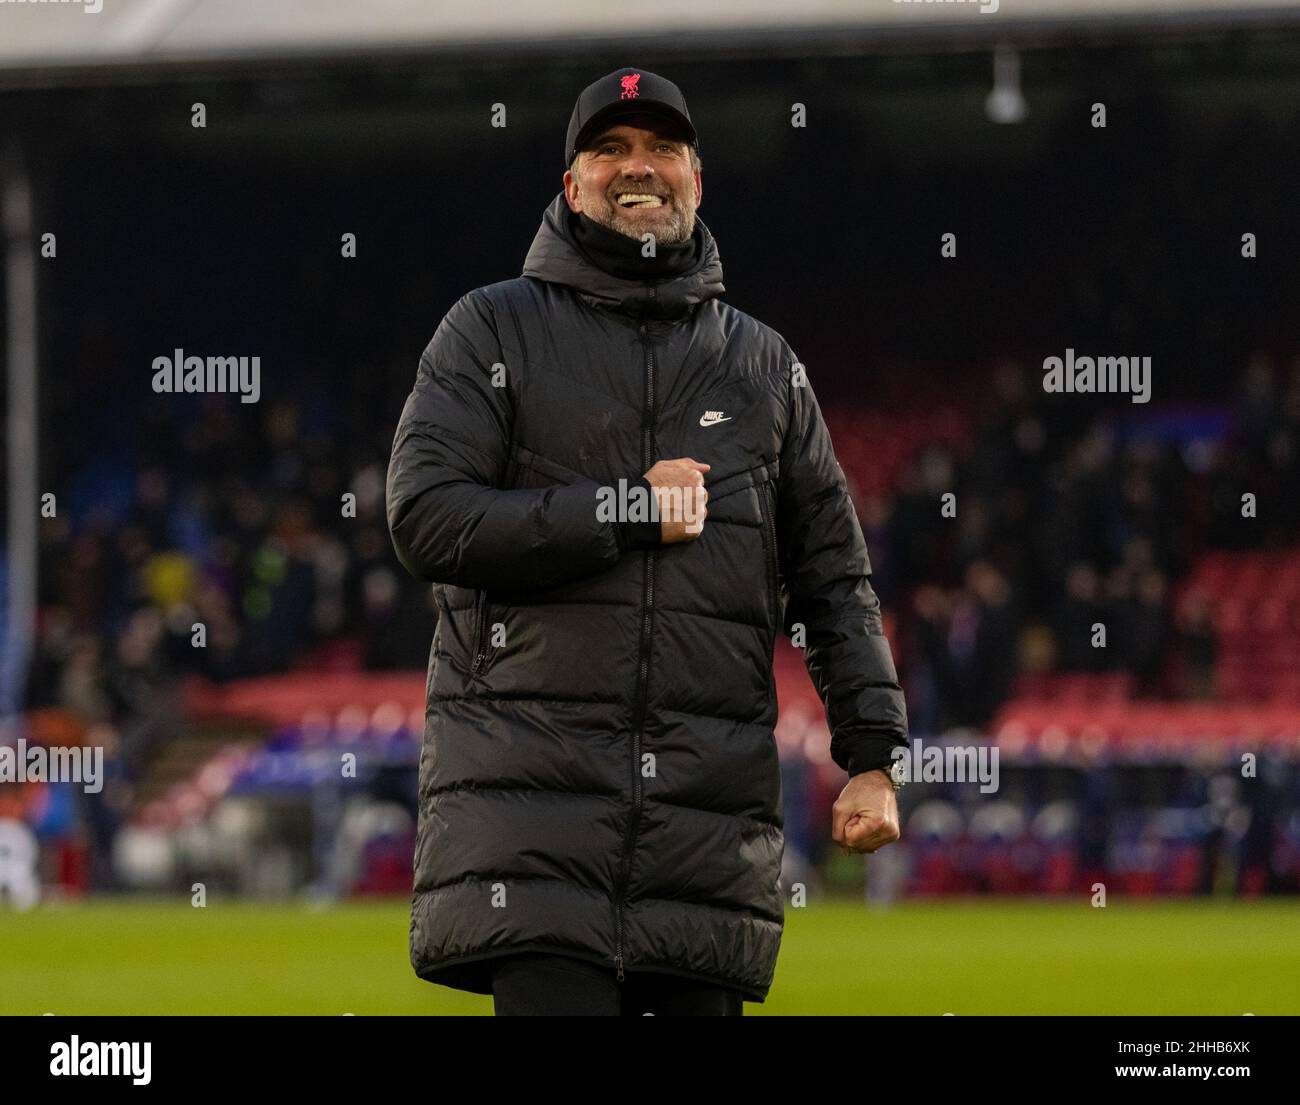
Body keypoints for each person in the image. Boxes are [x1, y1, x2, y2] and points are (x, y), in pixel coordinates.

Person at [386, 66, 908, 1016]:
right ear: (571, 183)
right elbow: (426, 515)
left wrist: (871, 752)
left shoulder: (765, 367)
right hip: (531, 842)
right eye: (611, 149)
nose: (640, 168)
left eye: (662, 148)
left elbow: (834, 576)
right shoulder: (487, 331)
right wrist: (621, 509)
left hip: (701, 851)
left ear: (697, 180)